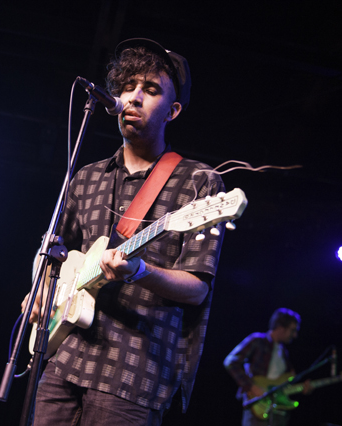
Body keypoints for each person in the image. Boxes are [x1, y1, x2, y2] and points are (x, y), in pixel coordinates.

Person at [22, 38, 227, 425]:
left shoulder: (199, 182)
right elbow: (54, 250)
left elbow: (198, 289)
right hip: (63, 357)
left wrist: (139, 271)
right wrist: (39, 292)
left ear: (172, 111)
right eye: (128, 86)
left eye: (150, 89)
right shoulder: (87, 176)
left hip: (132, 373)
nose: (133, 97)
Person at [223, 308, 312, 426]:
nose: (295, 335)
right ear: (281, 328)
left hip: (278, 413)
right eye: (292, 330)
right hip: (257, 407)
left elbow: (283, 382)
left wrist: (302, 388)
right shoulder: (258, 340)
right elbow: (231, 362)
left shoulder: (284, 352)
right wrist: (251, 386)